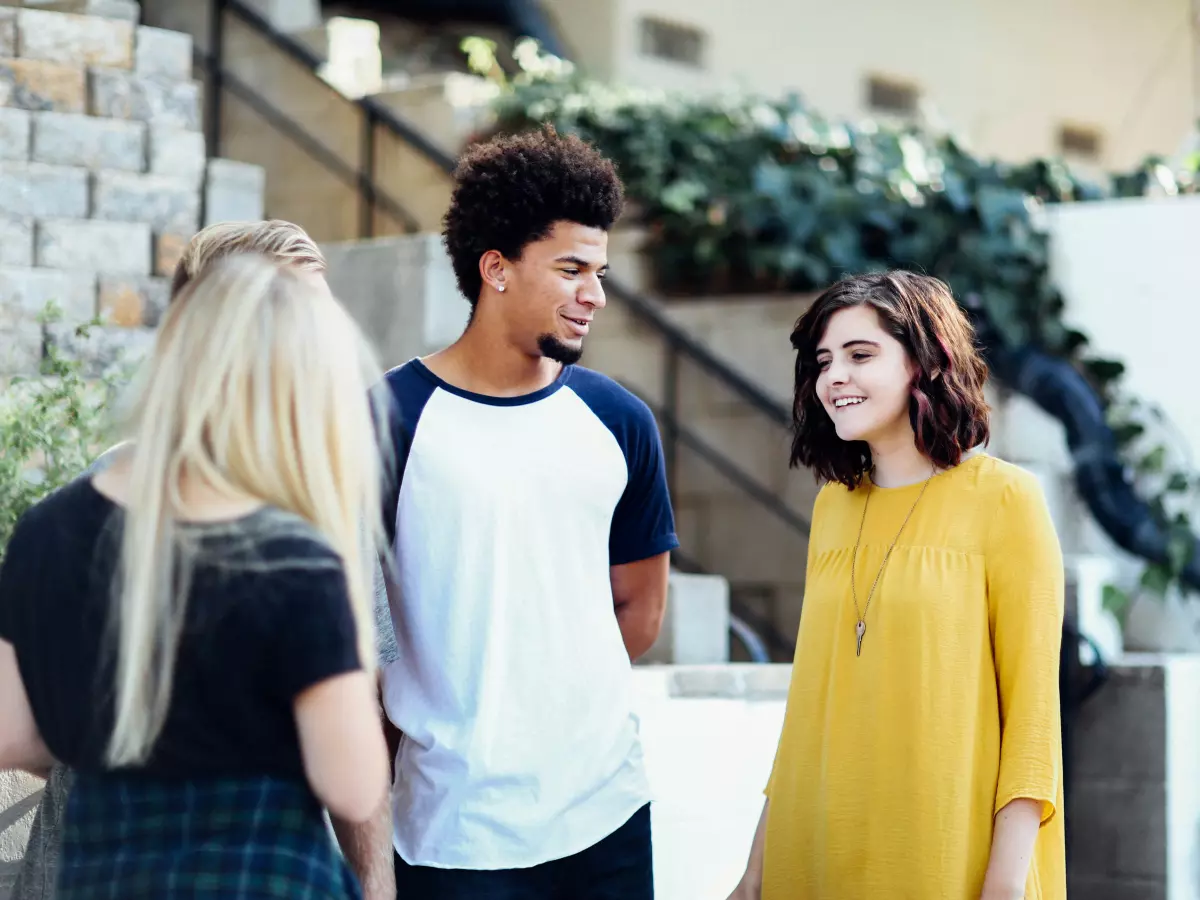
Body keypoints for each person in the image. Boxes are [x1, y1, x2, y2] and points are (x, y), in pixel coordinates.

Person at [8, 219, 400, 900]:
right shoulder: (311, 526)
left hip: (95, 873)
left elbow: (16, 736)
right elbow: (355, 777)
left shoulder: (59, 520)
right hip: (258, 876)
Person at [378, 125, 678, 899]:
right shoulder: (386, 418)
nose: (595, 295)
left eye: (601, 272)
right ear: (496, 269)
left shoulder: (619, 422)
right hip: (451, 827)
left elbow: (641, 610)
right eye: (572, 268)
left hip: (605, 810)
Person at [728, 271, 1066, 900]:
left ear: (926, 364)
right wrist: (754, 874)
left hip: (942, 855)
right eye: (824, 361)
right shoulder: (832, 506)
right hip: (816, 851)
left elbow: (1033, 722)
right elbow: (809, 706)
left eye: (861, 355)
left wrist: (1006, 884)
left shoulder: (1006, 501)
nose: (834, 377)